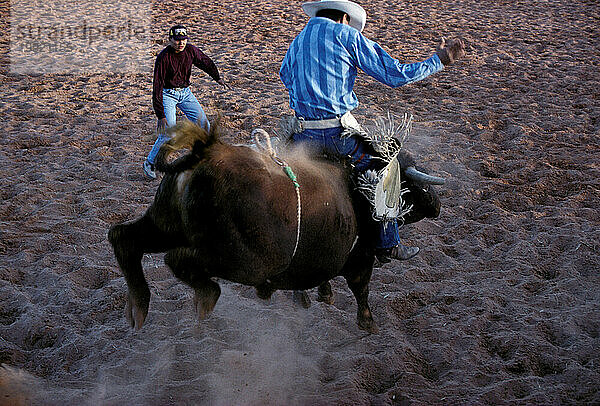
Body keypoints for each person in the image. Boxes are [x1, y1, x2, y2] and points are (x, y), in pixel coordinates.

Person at [279, 0, 465, 262]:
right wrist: (440, 60)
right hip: (337, 135)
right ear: (344, 17)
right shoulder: (347, 36)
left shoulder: (298, 40)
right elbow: (395, 75)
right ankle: (388, 243)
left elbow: (285, 75)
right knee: (385, 171)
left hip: (302, 136)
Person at [143, 24, 229, 179]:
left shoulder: (190, 50)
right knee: (168, 133)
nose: (181, 43)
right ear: (170, 40)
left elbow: (205, 61)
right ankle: (150, 163)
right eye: (177, 40)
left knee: (204, 126)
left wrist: (217, 77)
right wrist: (160, 114)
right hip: (167, 94)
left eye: (183, 39)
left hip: (186, 93)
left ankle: (208, 158)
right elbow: (157, 86)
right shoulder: (163, 58)